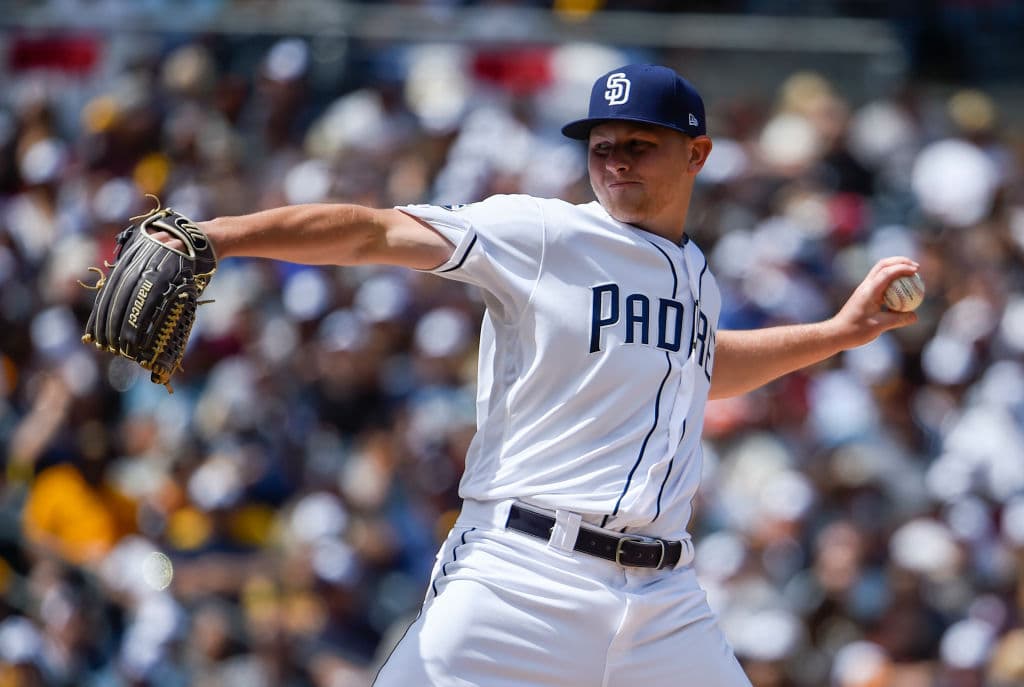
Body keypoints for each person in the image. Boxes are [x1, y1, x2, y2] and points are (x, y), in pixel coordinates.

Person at [174, 64, 918, 686]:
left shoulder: (696, 275)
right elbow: (376, 231)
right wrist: (219, 236)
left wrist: (835, 334)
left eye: (639, 143)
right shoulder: (544, 234)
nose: (615, 159)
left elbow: (699, 368)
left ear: (697, 154)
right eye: (601, 145)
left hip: (664, 601)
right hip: (522, 573)